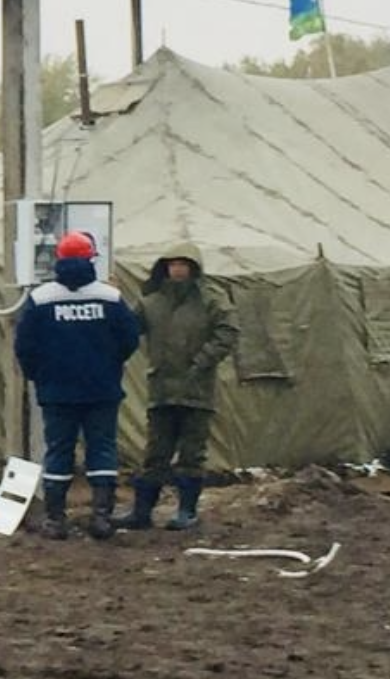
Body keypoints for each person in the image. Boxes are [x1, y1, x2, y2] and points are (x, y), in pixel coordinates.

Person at [14, 230, 141, 539]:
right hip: (101, 390)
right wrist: (109, 365)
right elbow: (130, 339)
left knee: (58, 451)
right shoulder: (110, 297)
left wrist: (39, 376)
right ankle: (101, 517)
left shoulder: (41, 298)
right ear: (90, 260)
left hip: (56, 391)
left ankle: (56, 520)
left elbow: (24, 346)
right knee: (102, 450)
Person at [115, 241, 238, 531]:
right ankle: (142, 511)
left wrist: (202, 361)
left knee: (192, 453)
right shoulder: (152, 302)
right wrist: (114, 299)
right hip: (162, 389)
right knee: (156, 452)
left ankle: (187, 510)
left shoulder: (212, 300)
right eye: (173, 264)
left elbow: (228, 331)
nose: (178, 270)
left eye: (183, 264)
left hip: (197, 389)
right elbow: (127, 329)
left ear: (194, 268)